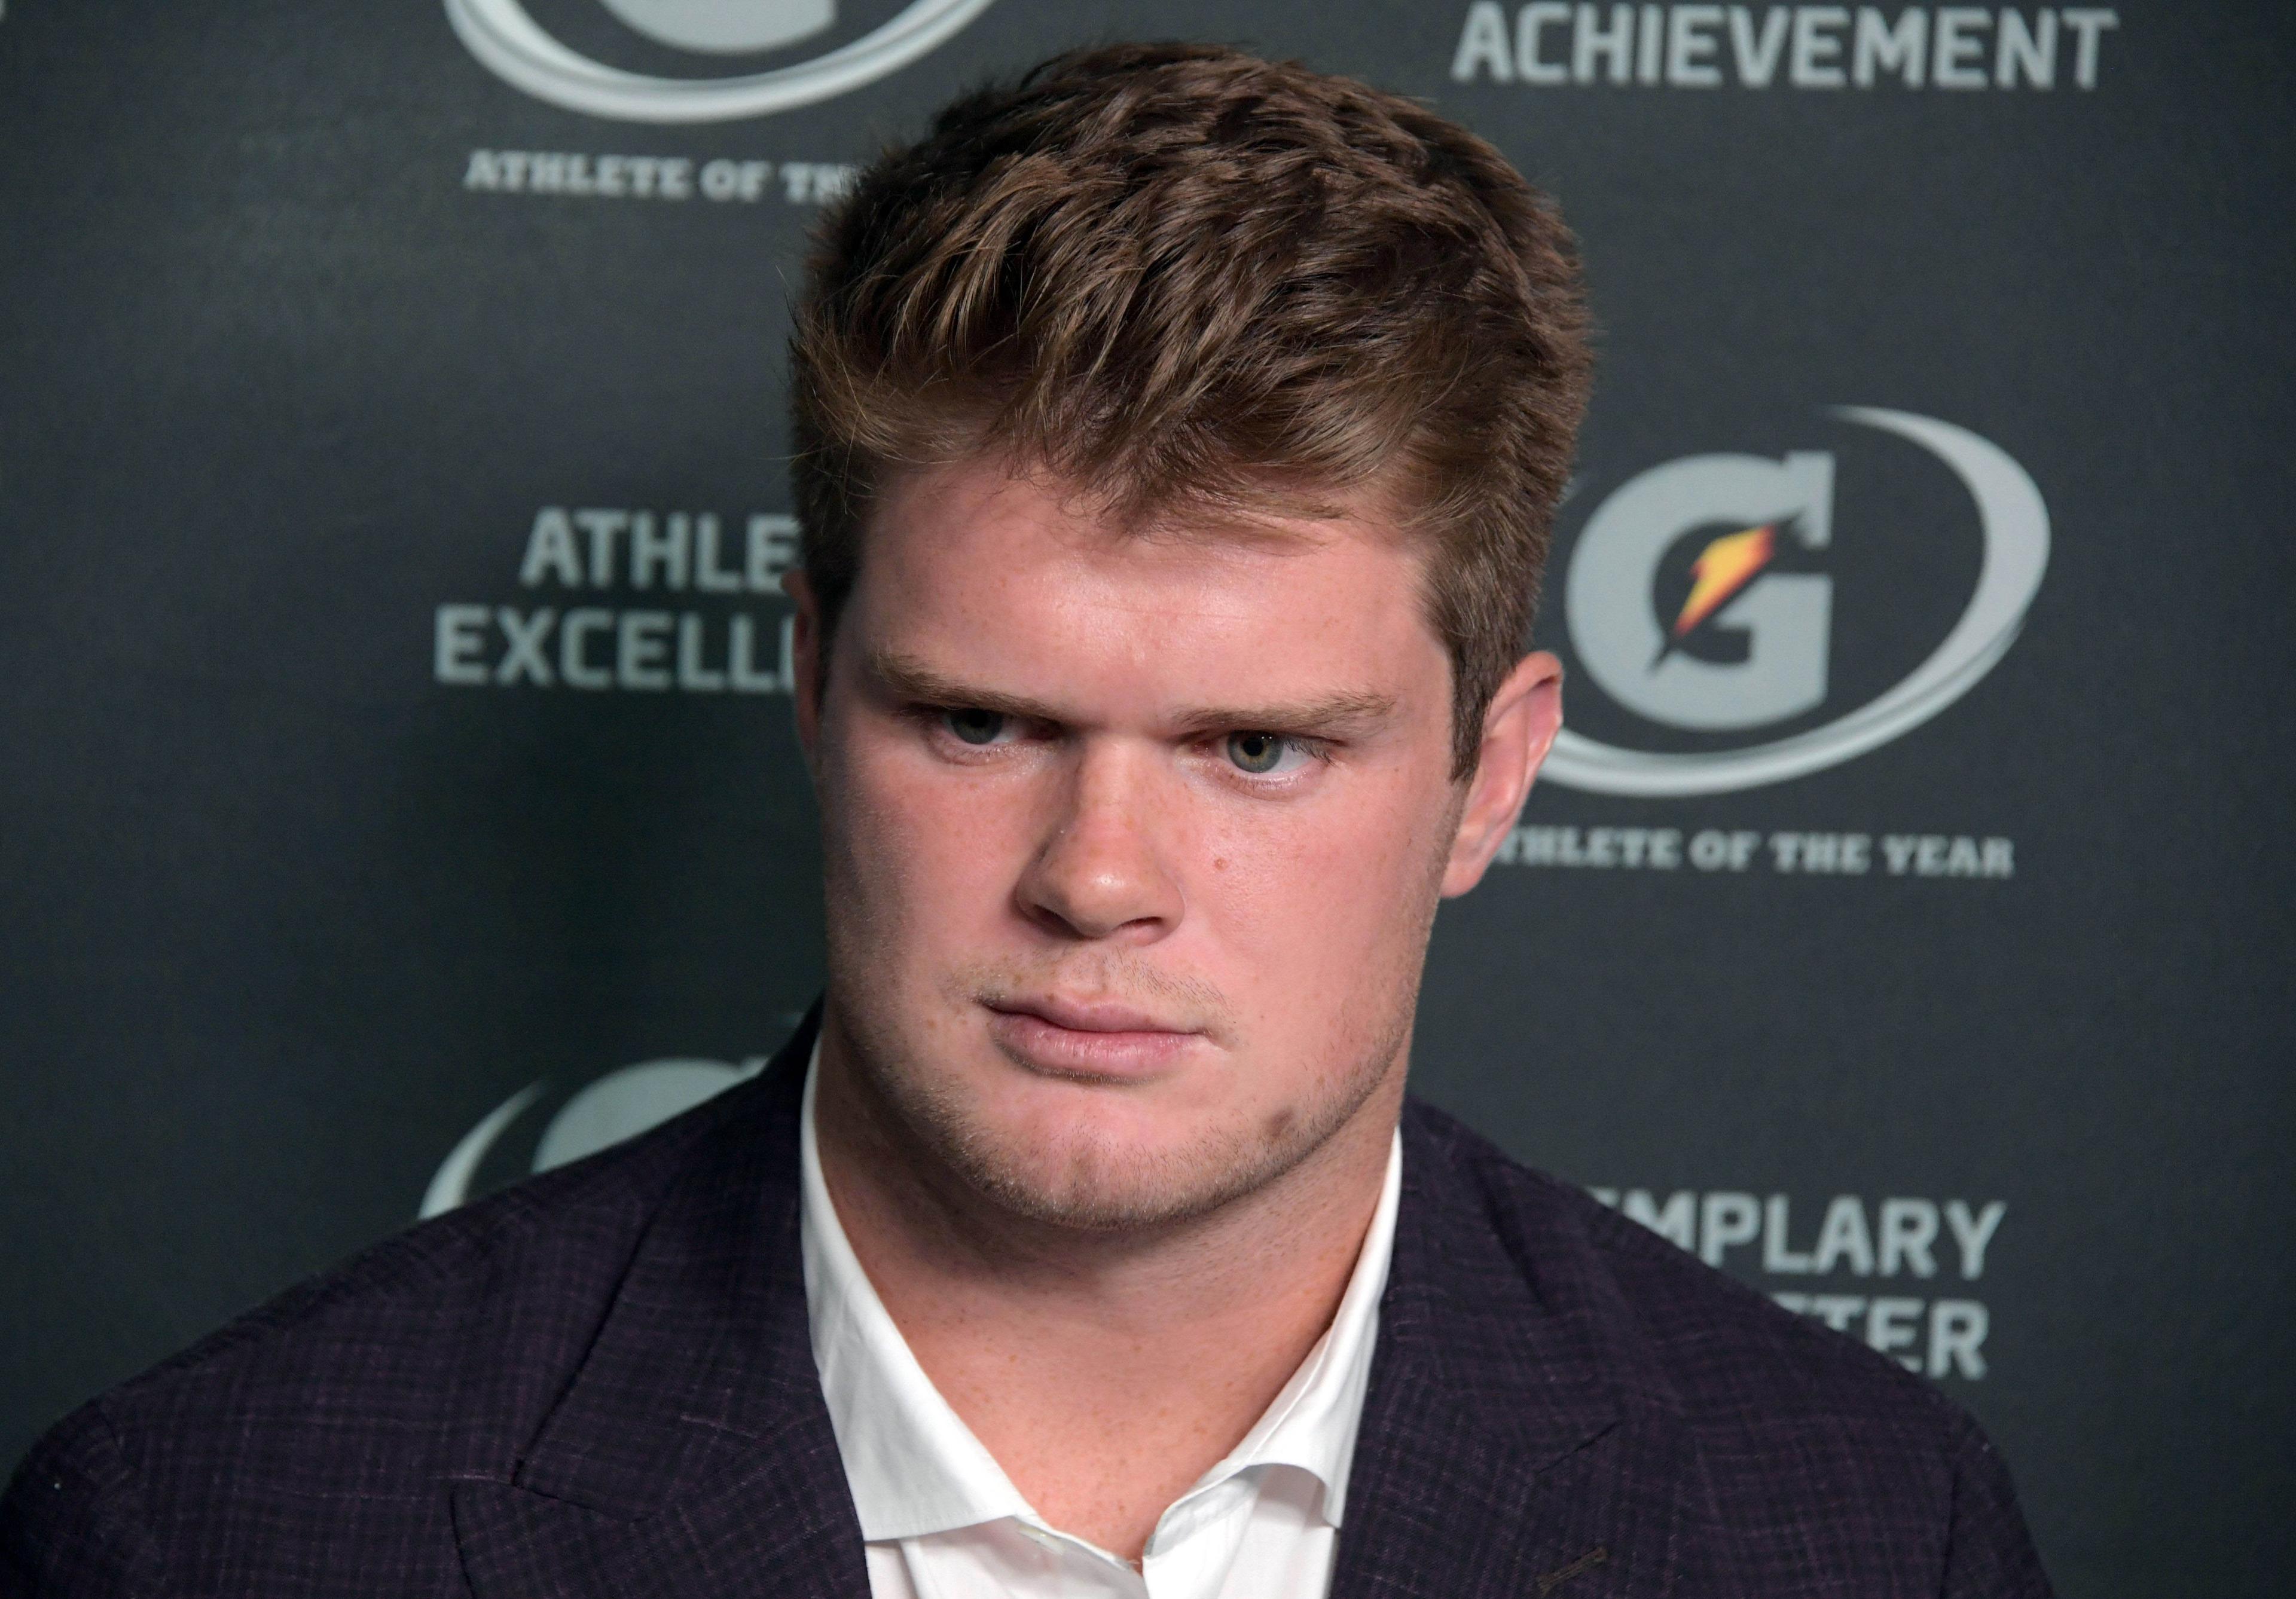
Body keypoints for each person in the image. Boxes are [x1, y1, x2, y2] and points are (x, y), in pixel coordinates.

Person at [1, 41, 2051, 1599]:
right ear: (812, 685)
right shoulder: (214, 1526)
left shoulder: (1859, 1527)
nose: (1096, 878)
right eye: (979, 719)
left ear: (1489, 779)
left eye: (1258, 749)